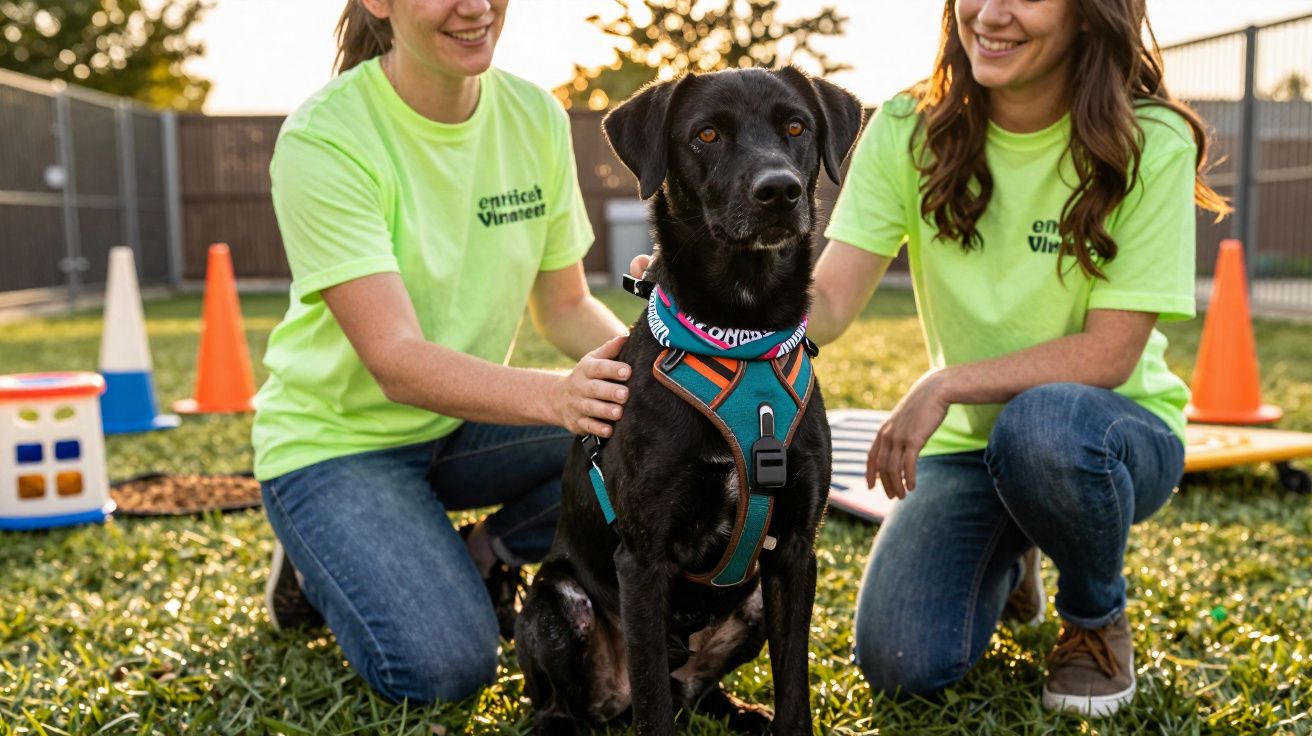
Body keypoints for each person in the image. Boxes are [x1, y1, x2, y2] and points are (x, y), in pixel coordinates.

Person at [626, 0, 1228, 718]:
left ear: (1088, 15)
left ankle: (1094, 621)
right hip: (971, 450)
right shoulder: (912, 125)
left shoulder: (1147, 138)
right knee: (903, 661)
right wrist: (695, 319)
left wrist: (946, 383)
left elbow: (1110, 353)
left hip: (1105, 433)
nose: (992, 14)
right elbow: (833, 301)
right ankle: (1016, 551)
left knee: (1042, 430)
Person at [252, 0, 631, 704]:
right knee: (446, 670)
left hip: (465, 425)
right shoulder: (325, 137)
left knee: (638, 431)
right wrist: (559, 396)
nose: (476, 7)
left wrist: (650, 369)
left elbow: (565, 306)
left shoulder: (535, 116)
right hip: (338, 445)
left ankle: (485, 550)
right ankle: (317, 553)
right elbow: (395, 360)